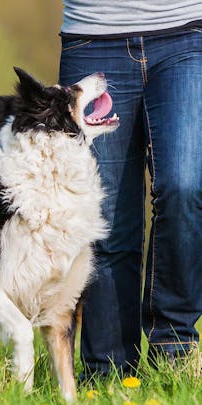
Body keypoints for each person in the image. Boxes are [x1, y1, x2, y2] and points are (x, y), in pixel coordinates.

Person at [58, 2, 202, 377]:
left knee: (185, 186)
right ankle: (107, 369)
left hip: (185, 33)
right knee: (106, 221)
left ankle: (174, 348)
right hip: (92, 38)